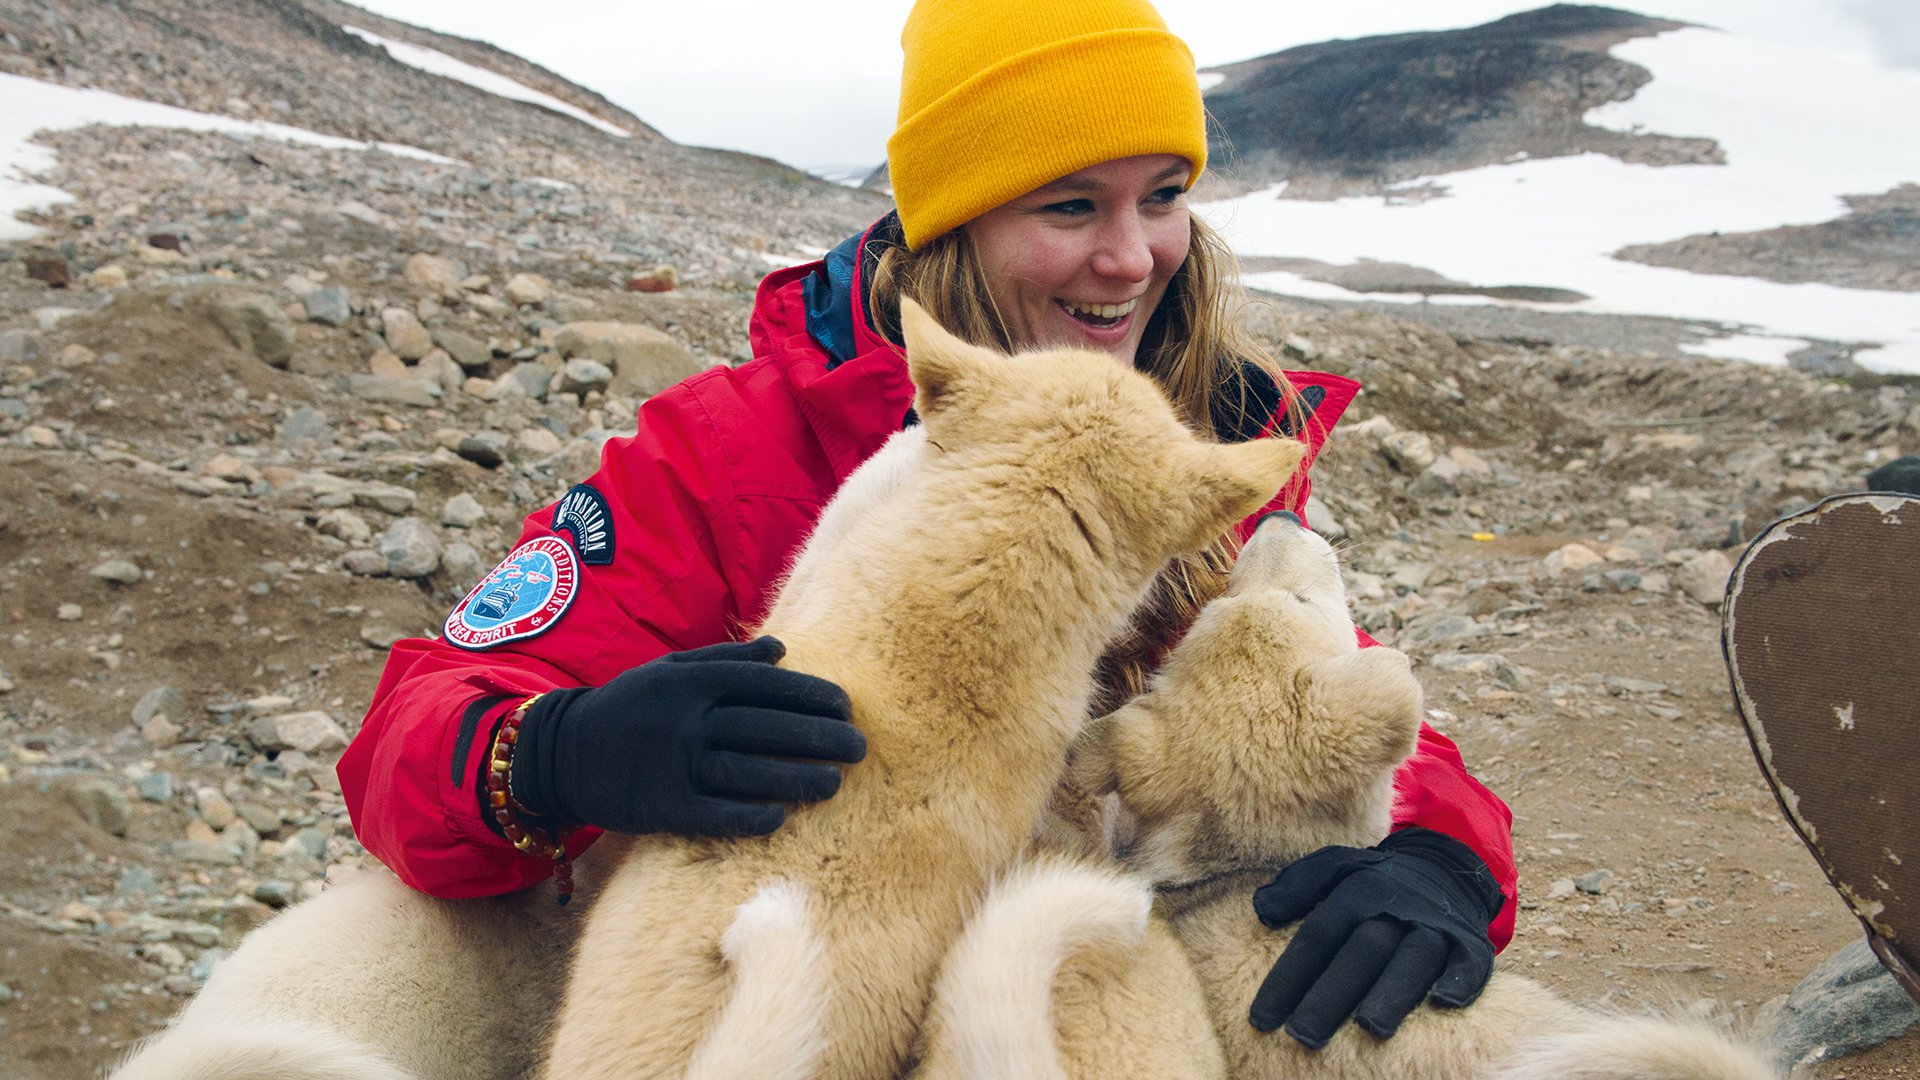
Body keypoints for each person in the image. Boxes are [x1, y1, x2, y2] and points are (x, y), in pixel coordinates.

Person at [338, 0, 1517, 1051]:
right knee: (387, 938)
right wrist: (555, 754)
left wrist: (1445, 858)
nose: (1130, 257)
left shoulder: (1204, 443)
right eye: (1071, 205)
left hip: (1069, 960)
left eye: (1164, 196)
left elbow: (1309, 689)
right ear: (956, 219)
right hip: (792, 971)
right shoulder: (735, 449)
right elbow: (416, 732)